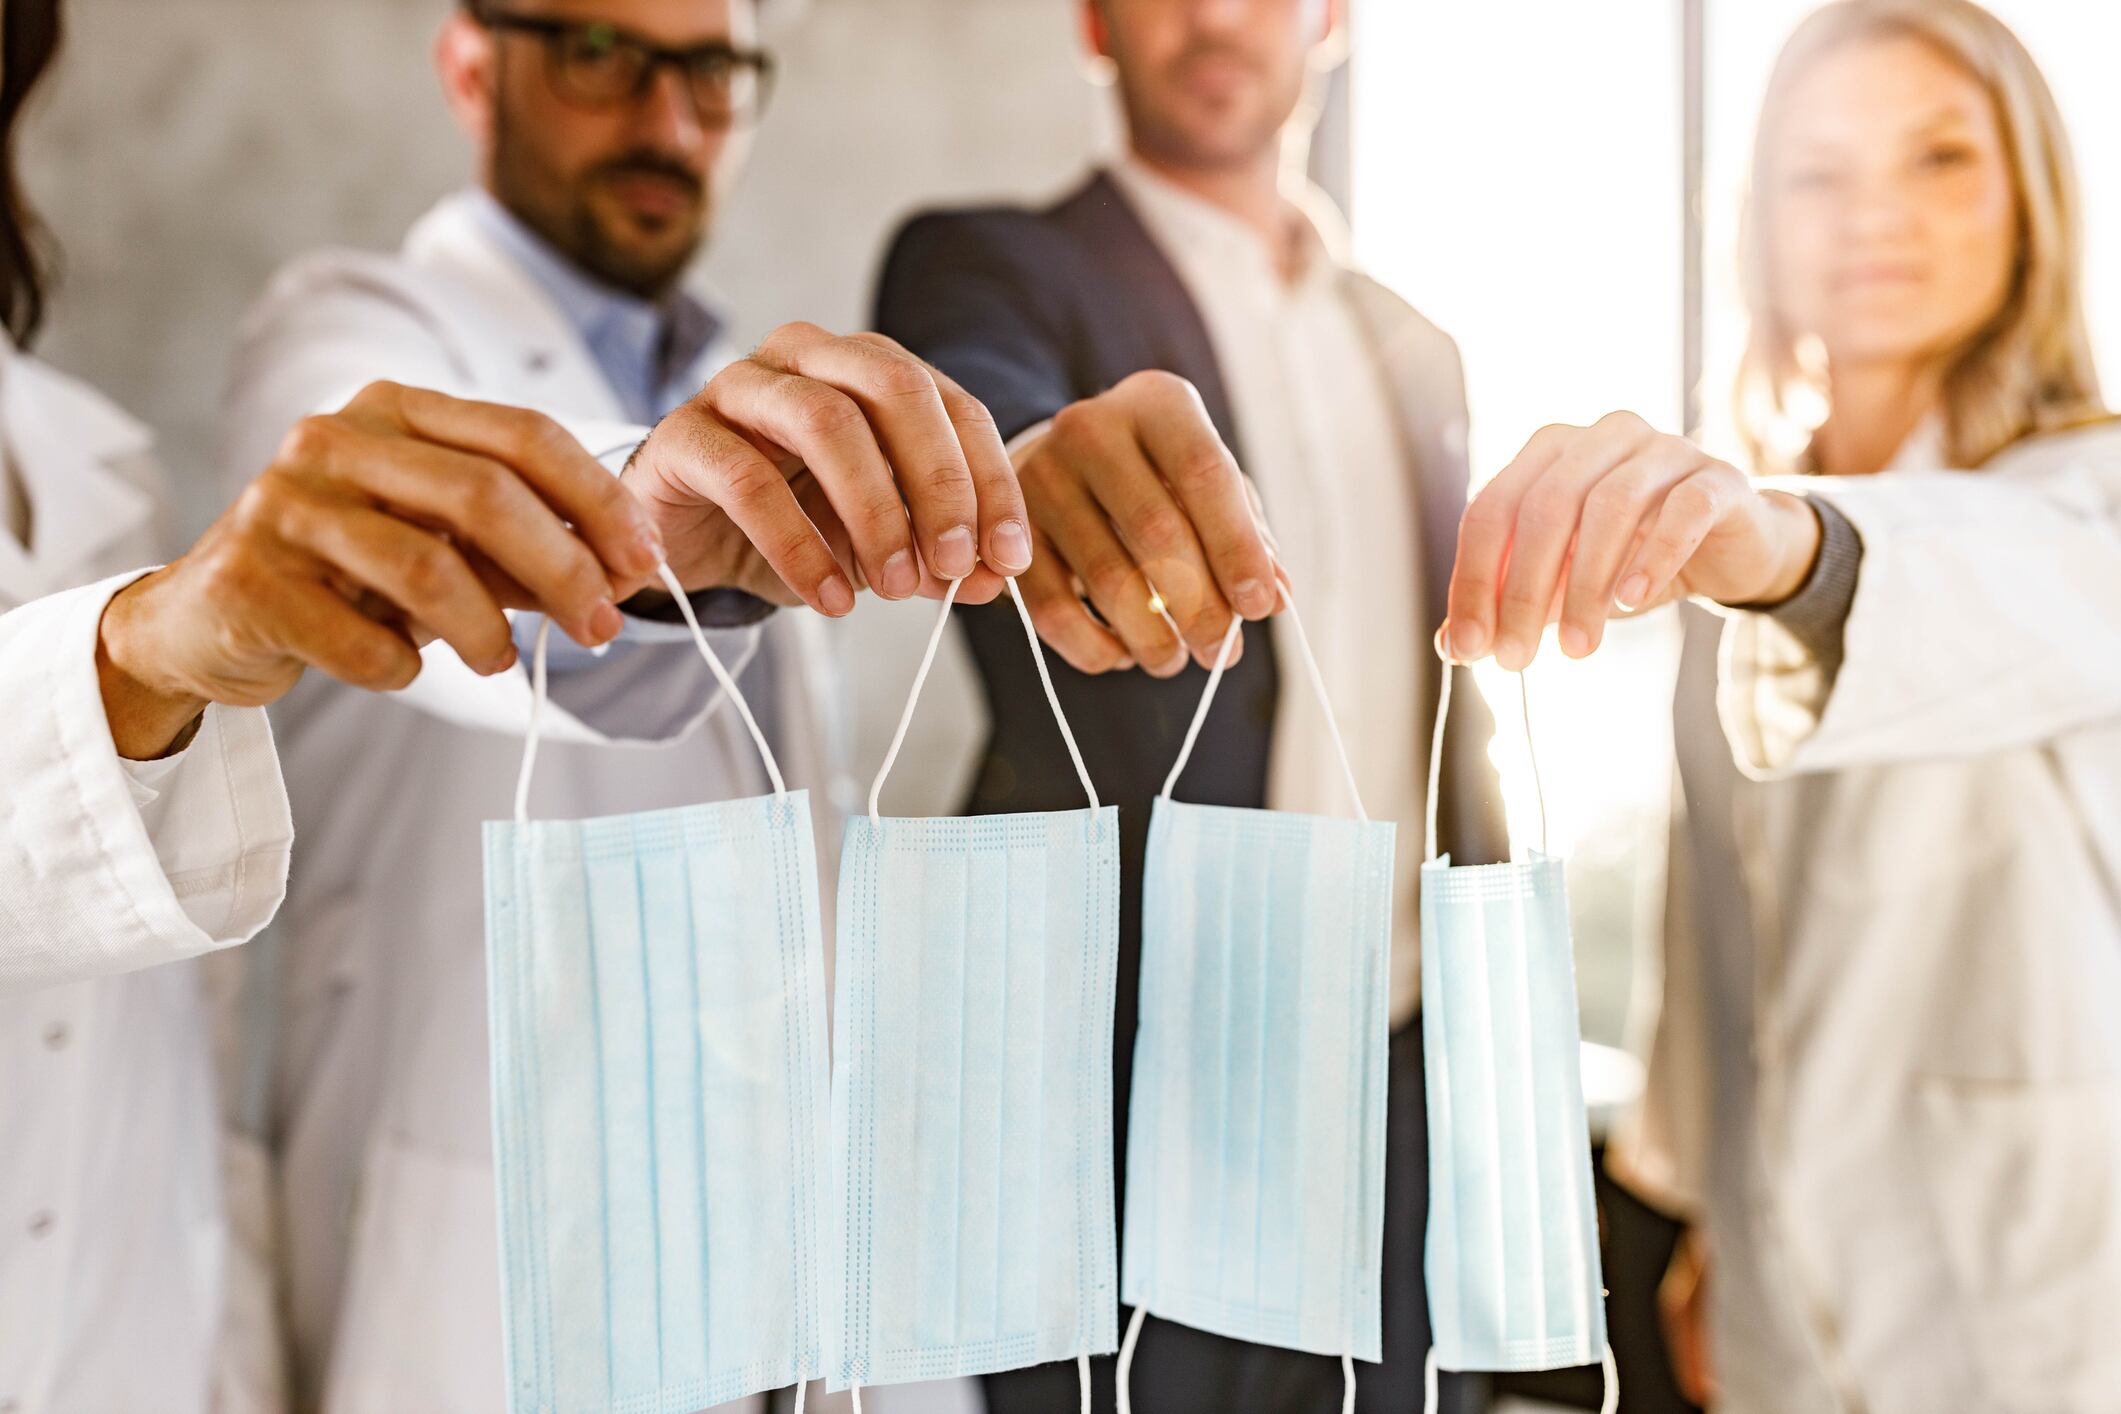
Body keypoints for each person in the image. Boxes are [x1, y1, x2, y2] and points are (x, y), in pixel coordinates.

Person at [217, 2, 1058, 1410]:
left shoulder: (735, 394)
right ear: (471, 63)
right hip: (481, 1262)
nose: (666, 121)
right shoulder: (350, 336)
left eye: (710, 70)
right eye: (601, 56)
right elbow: (446, 570)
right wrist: (654, 519)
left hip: (777, 1263)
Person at [1440, 2, 2121, 1409]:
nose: (1874, 212)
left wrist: (1785, 551)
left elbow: (1994, 583)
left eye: (1937, 158)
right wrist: (1690, 1210)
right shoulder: (1727, 538)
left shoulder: (2084, 494)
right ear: (1759, 219)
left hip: (2032, 1273)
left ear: (2028, 197)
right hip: (1769, 1273)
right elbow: (1715, 916)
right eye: (1818, 168)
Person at [874, 1, 1509, 1409]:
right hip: (1114, 1077)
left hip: (1392, 1078)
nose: (1215, 14)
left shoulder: (1415, 345)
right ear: (1095, 21)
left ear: (1329, 18)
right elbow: (976, 409)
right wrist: (1031, 460)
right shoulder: (991, 265)